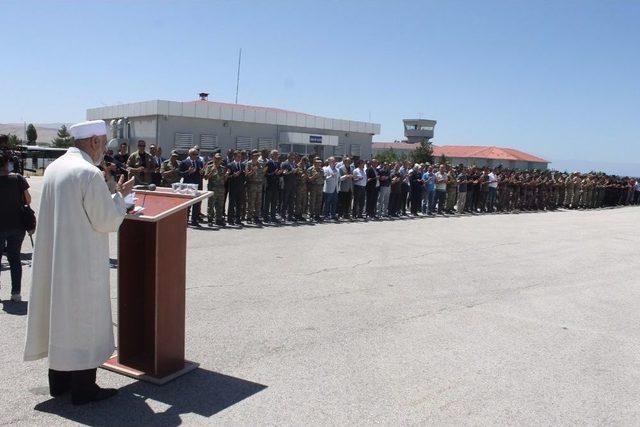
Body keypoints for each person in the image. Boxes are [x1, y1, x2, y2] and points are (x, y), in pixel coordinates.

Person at [24, 120, 135, 405]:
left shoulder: (55, 167)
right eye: (103, 143)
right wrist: (120, 198)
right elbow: (106, 220)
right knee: (82, 320)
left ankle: (58, 383)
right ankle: (84, 389)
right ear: (95, 142)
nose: (103, 151)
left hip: (56, 258)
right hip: (80, 261)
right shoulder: (88, 172)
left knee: (60, 318)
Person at [0, 152, 31, 302]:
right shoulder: (18, 178)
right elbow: (28, 199)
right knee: (14, 258)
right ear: (7, 163)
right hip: (17, 225)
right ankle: (16, 293)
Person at [179, 148, 204, 226]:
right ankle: (185, 220)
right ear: (189, 154)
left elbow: (201, 173)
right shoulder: (184, 162)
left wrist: (202, 173)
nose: (195, 156)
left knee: (196, 203)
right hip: (188, 185)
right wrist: (188, 172)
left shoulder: (199, 162)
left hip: (197, 185)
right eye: (194, 154)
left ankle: (194, 220)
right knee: (187, 204)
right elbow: (180, 174)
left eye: (197, 154)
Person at [203, 153, 227, 226]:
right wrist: (211, 172)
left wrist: (226, 175)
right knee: (211, 204)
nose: (217, 160)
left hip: (221, 188)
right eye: (216, 159)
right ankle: (210, 219)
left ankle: (218, 219)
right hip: (212, 188)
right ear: (213, 159)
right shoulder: (210, 167)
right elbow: (206, 177)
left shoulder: (223, 168)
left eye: (219, 159)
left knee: (220, 205)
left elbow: (224, 179)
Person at [245, 150, 265, 224]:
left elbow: (262, 174)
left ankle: (256, 217)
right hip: (252, 185)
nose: (256, 157)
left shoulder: (260, 164)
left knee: (258, 202)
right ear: (252, 156)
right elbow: (246, 175)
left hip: (259, 185)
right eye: (255, 156)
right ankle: (249, 217)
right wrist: (252, 171)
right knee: (251, 201)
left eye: (257, 156)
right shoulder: (249, 163)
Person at [226, 151, 245, 225]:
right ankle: (230, 219)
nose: (239, 158)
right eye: (238, 156)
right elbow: (227, 177)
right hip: (233, 187)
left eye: (240, 156)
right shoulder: (230, 165)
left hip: (240, 187)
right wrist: (233, 176)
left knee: (239, 204)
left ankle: (238, 219)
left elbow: (244, 175)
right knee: (231, 203)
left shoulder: (243, 165)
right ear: (234, 157)